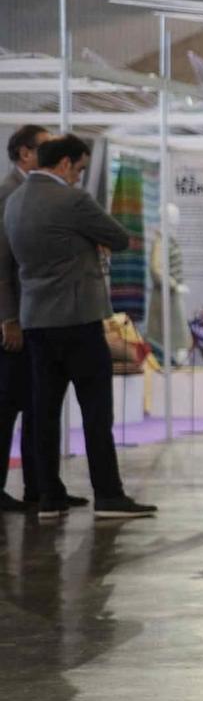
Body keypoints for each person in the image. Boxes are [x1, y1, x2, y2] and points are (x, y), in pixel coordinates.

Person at [2, 134, 157, 521]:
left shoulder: (15, 200)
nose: (79, 177)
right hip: (78, 320)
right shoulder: (72, 200)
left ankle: (48, 496)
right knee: (95, 411)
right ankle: (108, 495)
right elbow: (120, 238)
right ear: (66, 164)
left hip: (35, 320)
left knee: (44, 412)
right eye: (80, 169)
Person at [0, 123, 54, 514]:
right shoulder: (8, 195)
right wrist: (9, 319)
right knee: (7, 407)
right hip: (16, 322)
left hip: (39, 318)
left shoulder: (40, 192)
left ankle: (41, 486)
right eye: (46, 148)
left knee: (38, 405)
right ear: (24, 154)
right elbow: (1, 266)